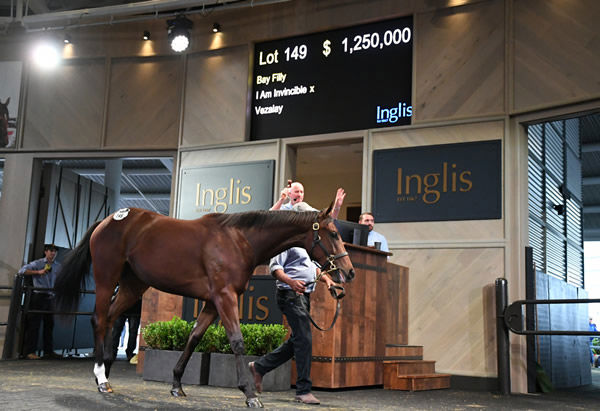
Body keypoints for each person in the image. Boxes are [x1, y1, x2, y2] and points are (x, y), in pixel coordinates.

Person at [249, 201, 338, 405]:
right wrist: (290, 281)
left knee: (298, 340)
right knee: (304, 339)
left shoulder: (306, 243)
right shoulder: (285, 242)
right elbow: (275, 268)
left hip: (303, 296)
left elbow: (312, 268)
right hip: (289, 294)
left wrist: (328, 280)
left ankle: (259, 367)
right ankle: (303, 390)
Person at [18, 243, 61, 359]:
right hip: (39, 296)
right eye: (51, 251)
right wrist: (38, 272)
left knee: (49, 325)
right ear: (45, 252)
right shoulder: (38, 263)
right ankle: (30, 352)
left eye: (54, 251)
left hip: (51, 297)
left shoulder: (58, 266)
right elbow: (22, 271)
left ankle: (48, 351)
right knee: (34, 325)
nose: (53, 253)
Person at [271, 179, 345, 219]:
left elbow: (328, 218)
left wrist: (337, 206)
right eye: (296, 192)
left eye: (301, 192)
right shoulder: (284, 208)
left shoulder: (306, 208)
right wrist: (281, 199)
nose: (299, 195)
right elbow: (270, 215)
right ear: (289, 194)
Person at [111, 297, 142, 361]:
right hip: (134, 306)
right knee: (132, 332)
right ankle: (129, 353)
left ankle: (113, 353)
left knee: (116, 331)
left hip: (122, 306)